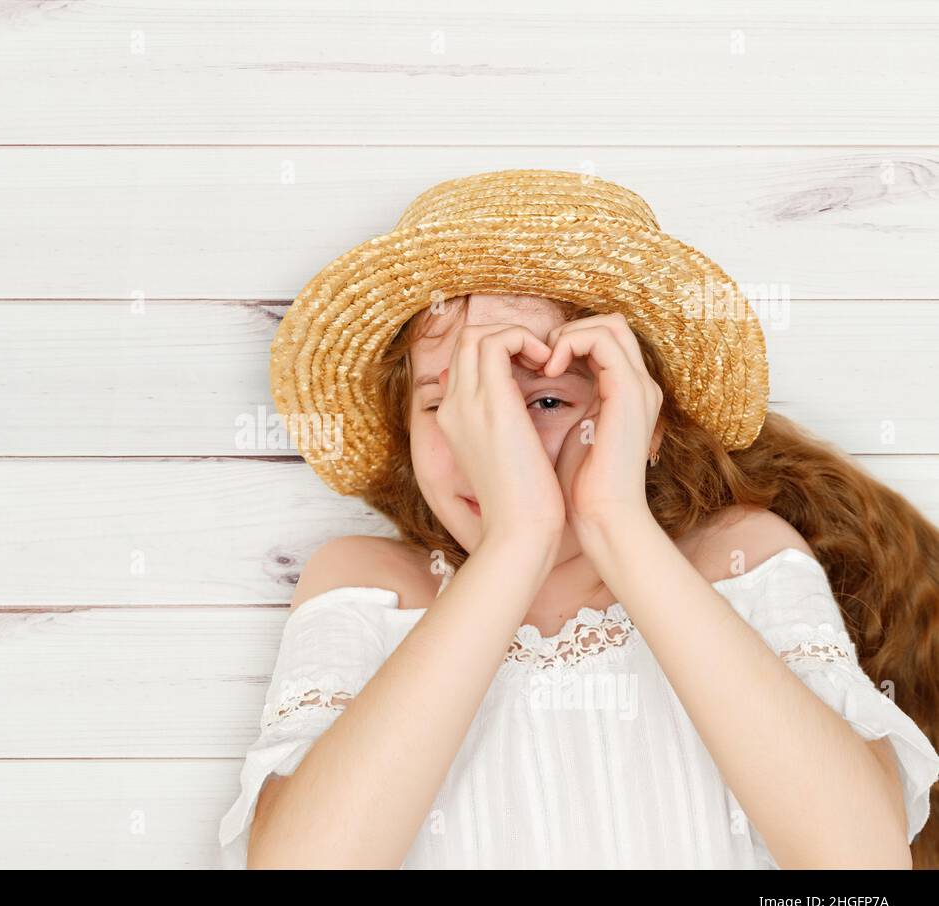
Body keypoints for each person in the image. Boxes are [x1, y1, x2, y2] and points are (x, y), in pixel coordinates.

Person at [217, 169, 939, 869]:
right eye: (450, 405)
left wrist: (615, 520)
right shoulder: (370, 585)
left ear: (644, 426)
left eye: (549, 401)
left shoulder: (735, 560)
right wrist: (515, 542)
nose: (495, 446)